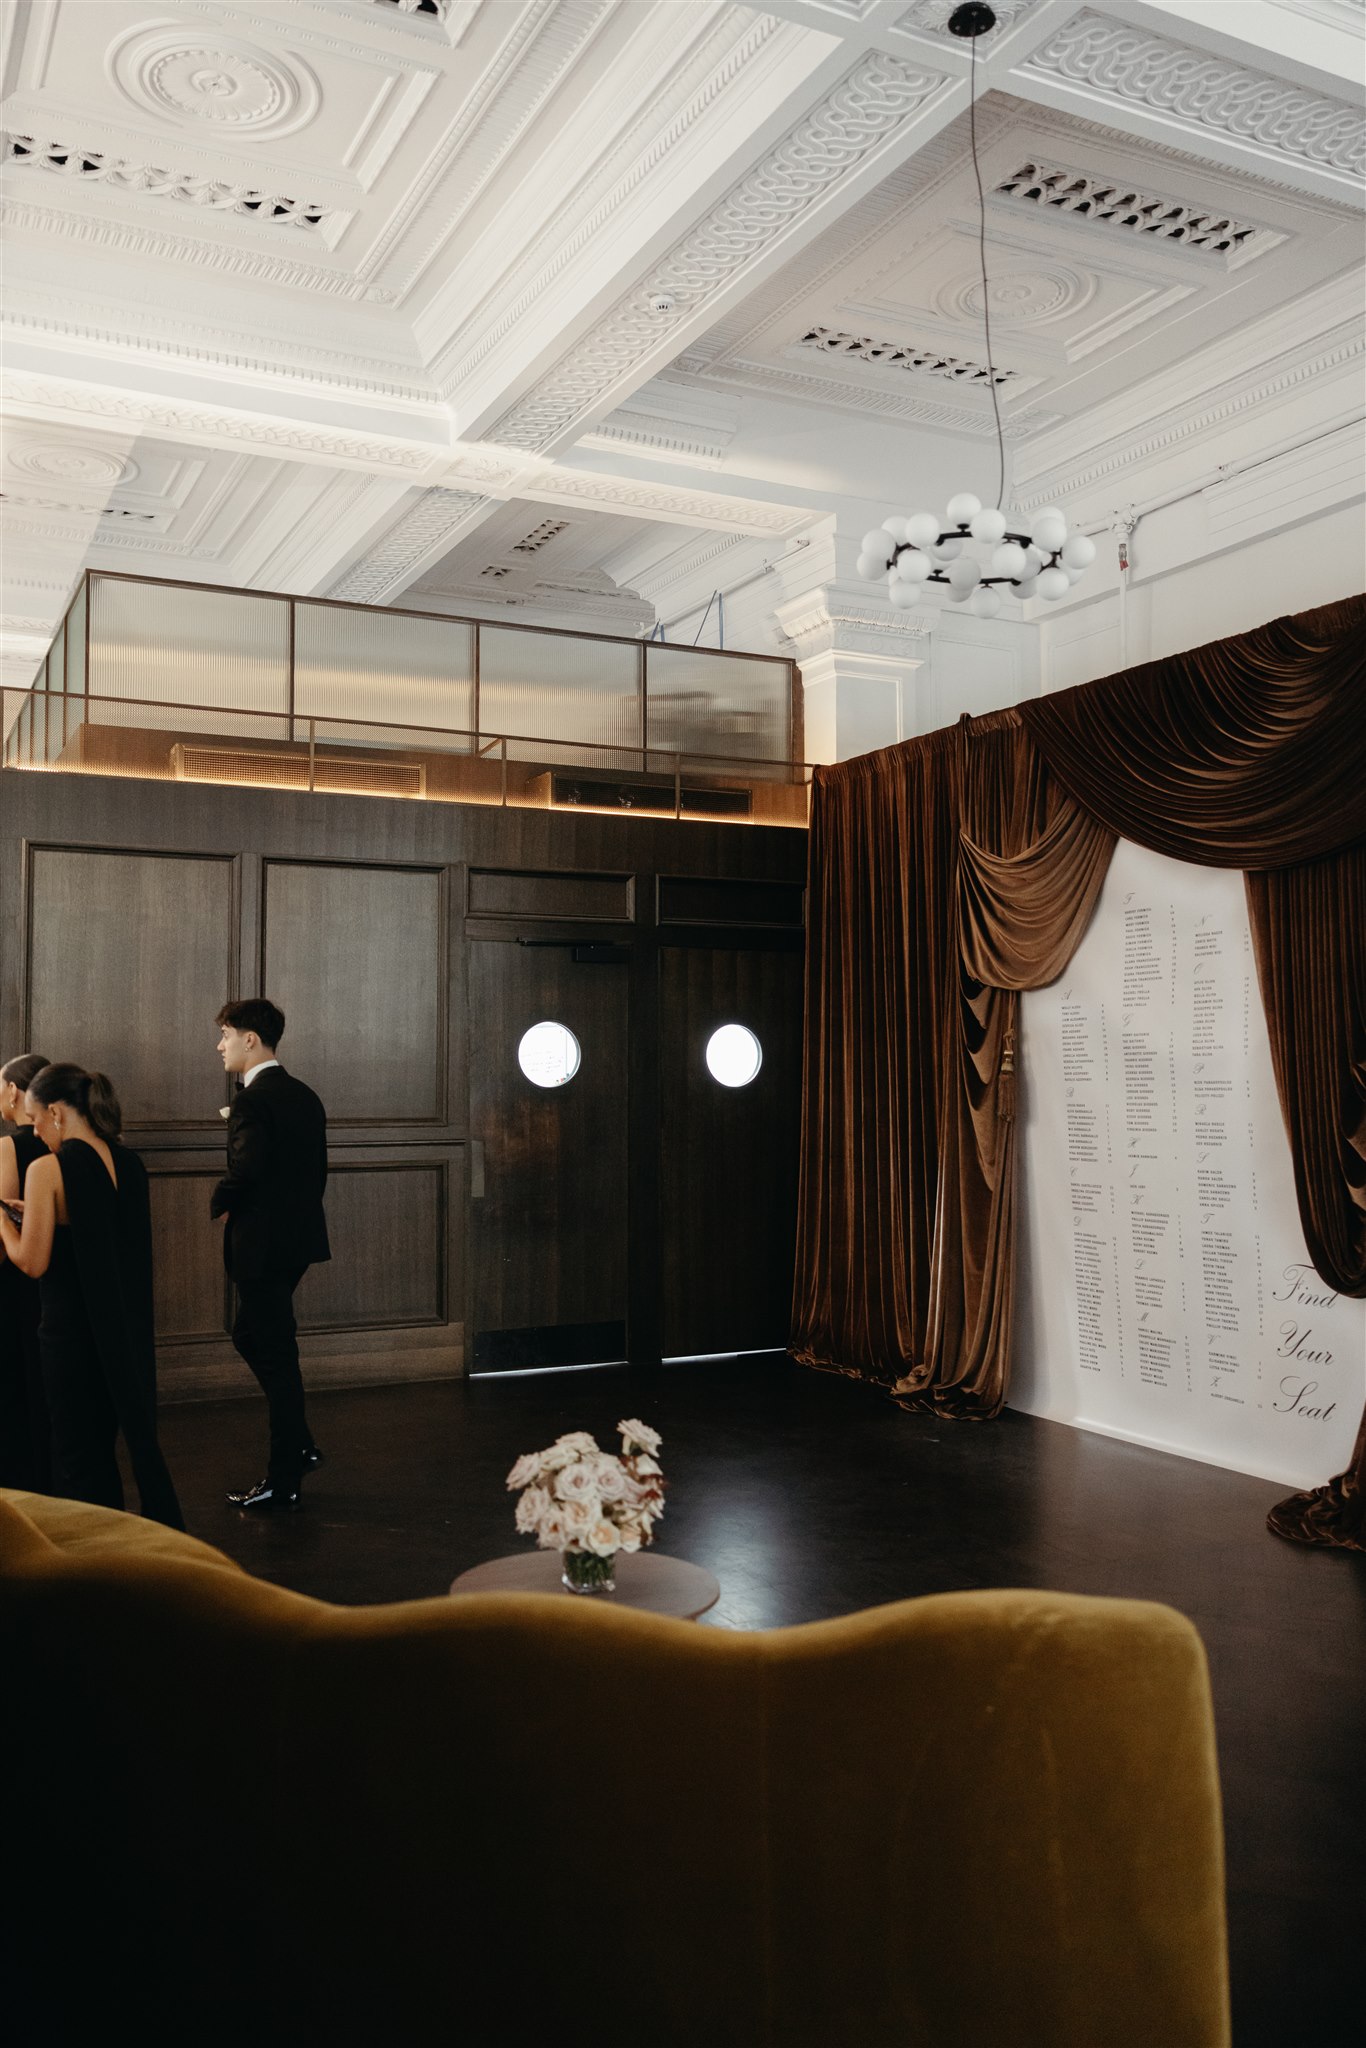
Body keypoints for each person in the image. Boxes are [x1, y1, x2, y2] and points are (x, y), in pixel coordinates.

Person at [0, 1063, 182, 1528]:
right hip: (120, 1335)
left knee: (78, 1459)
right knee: (104, 1444)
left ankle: (89, 1552)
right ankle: (115, 1544)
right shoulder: (129, 1163)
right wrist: (35, 1213)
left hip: (69, 1336)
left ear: (57, 1113)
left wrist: (1, 1220)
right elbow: (98, 1228)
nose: (35, 1132)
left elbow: (31, 1262)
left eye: (36, 1120)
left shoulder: (47, 1169)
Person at [212, 999, 330, 1512]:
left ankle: (284, 1479)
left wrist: (221, 1203)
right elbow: (314, 1173)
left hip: (261, 1246)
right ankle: (300, 1444)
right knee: (250, 1335)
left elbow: (247, 1169)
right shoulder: (305, 1095)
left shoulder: (252, 1101)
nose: (220, 1046)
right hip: (297, 1241)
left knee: (278, 1359)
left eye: (225, 1035)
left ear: (251, 1039)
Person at [0, 1051, 53, 1490]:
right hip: (51, 1283)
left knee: (13, 1386)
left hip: (15, 1280)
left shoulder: (8, 1147)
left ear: (14, 1090)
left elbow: (3, 1229)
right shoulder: (59, 1146)